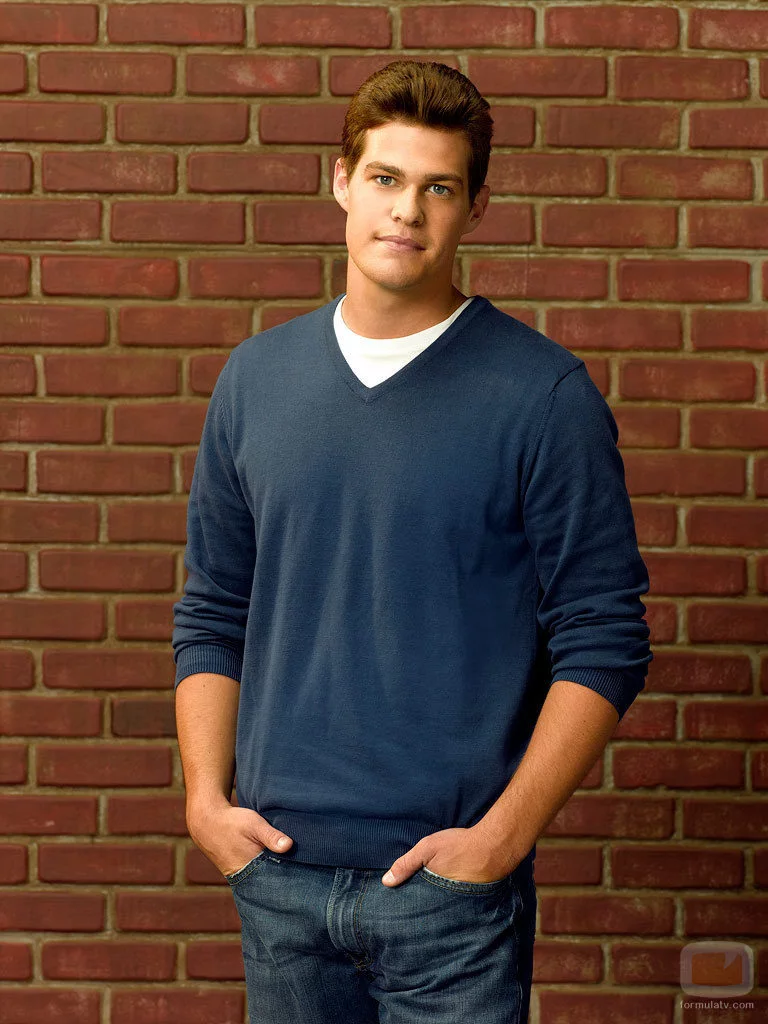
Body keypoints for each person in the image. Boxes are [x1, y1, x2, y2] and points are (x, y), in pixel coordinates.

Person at [172, 60, 653, 1024]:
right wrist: (205, 805)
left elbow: (605, 638)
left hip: (451, 897)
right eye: (386, 178)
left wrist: (499, 841)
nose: (406, 210)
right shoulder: (255, 380)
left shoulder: (543, 396)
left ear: (476, 207)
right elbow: (215, 612)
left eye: (439, 187)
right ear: (341, 182)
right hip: (279, 878)